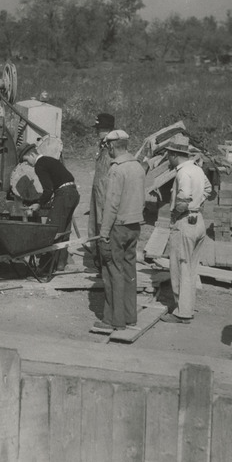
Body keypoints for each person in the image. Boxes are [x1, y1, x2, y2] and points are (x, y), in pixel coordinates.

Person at [92, 130, 146, 331]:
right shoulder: (138, 167)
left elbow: (111, 205)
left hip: (118, 227)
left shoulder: (116, 170)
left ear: (112, 147)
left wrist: (103, 233)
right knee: (129, 272)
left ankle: (113, 320)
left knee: (112, 272)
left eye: (107, 148)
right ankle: (130, 316)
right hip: (134, 226)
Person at [160, 133, 212, 324]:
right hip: (198, 221)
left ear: (174, 155)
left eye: (168, 155)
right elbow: (208, 189)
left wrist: (177, 212)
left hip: (184, 222)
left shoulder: (182, 172)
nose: (168, 159)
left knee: (180, 267)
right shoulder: (197, 169)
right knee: (190, 268)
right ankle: (187, 307)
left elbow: (184, 197)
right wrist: (197, 204)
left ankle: (182, 312)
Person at [20, 142, 80, 272]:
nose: (28, 164)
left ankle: (45, 266)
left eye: (27, 160)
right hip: (73, 193)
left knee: (52, 230)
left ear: (32, 154)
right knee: (64, 230)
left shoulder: (39, 165)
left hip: (63, 195)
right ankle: (60, 264)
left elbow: (48, 190)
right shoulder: (50, 160)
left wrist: (38, 203)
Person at [87, 113, 116, 266]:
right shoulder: (102, 144)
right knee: (94, 225)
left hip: (105, 191)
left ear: (108, 129)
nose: (97, 132)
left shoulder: (114, 145)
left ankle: (104, 261)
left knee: (103, 224)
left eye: (100, 129)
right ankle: (97, 258)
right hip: (97, 188)